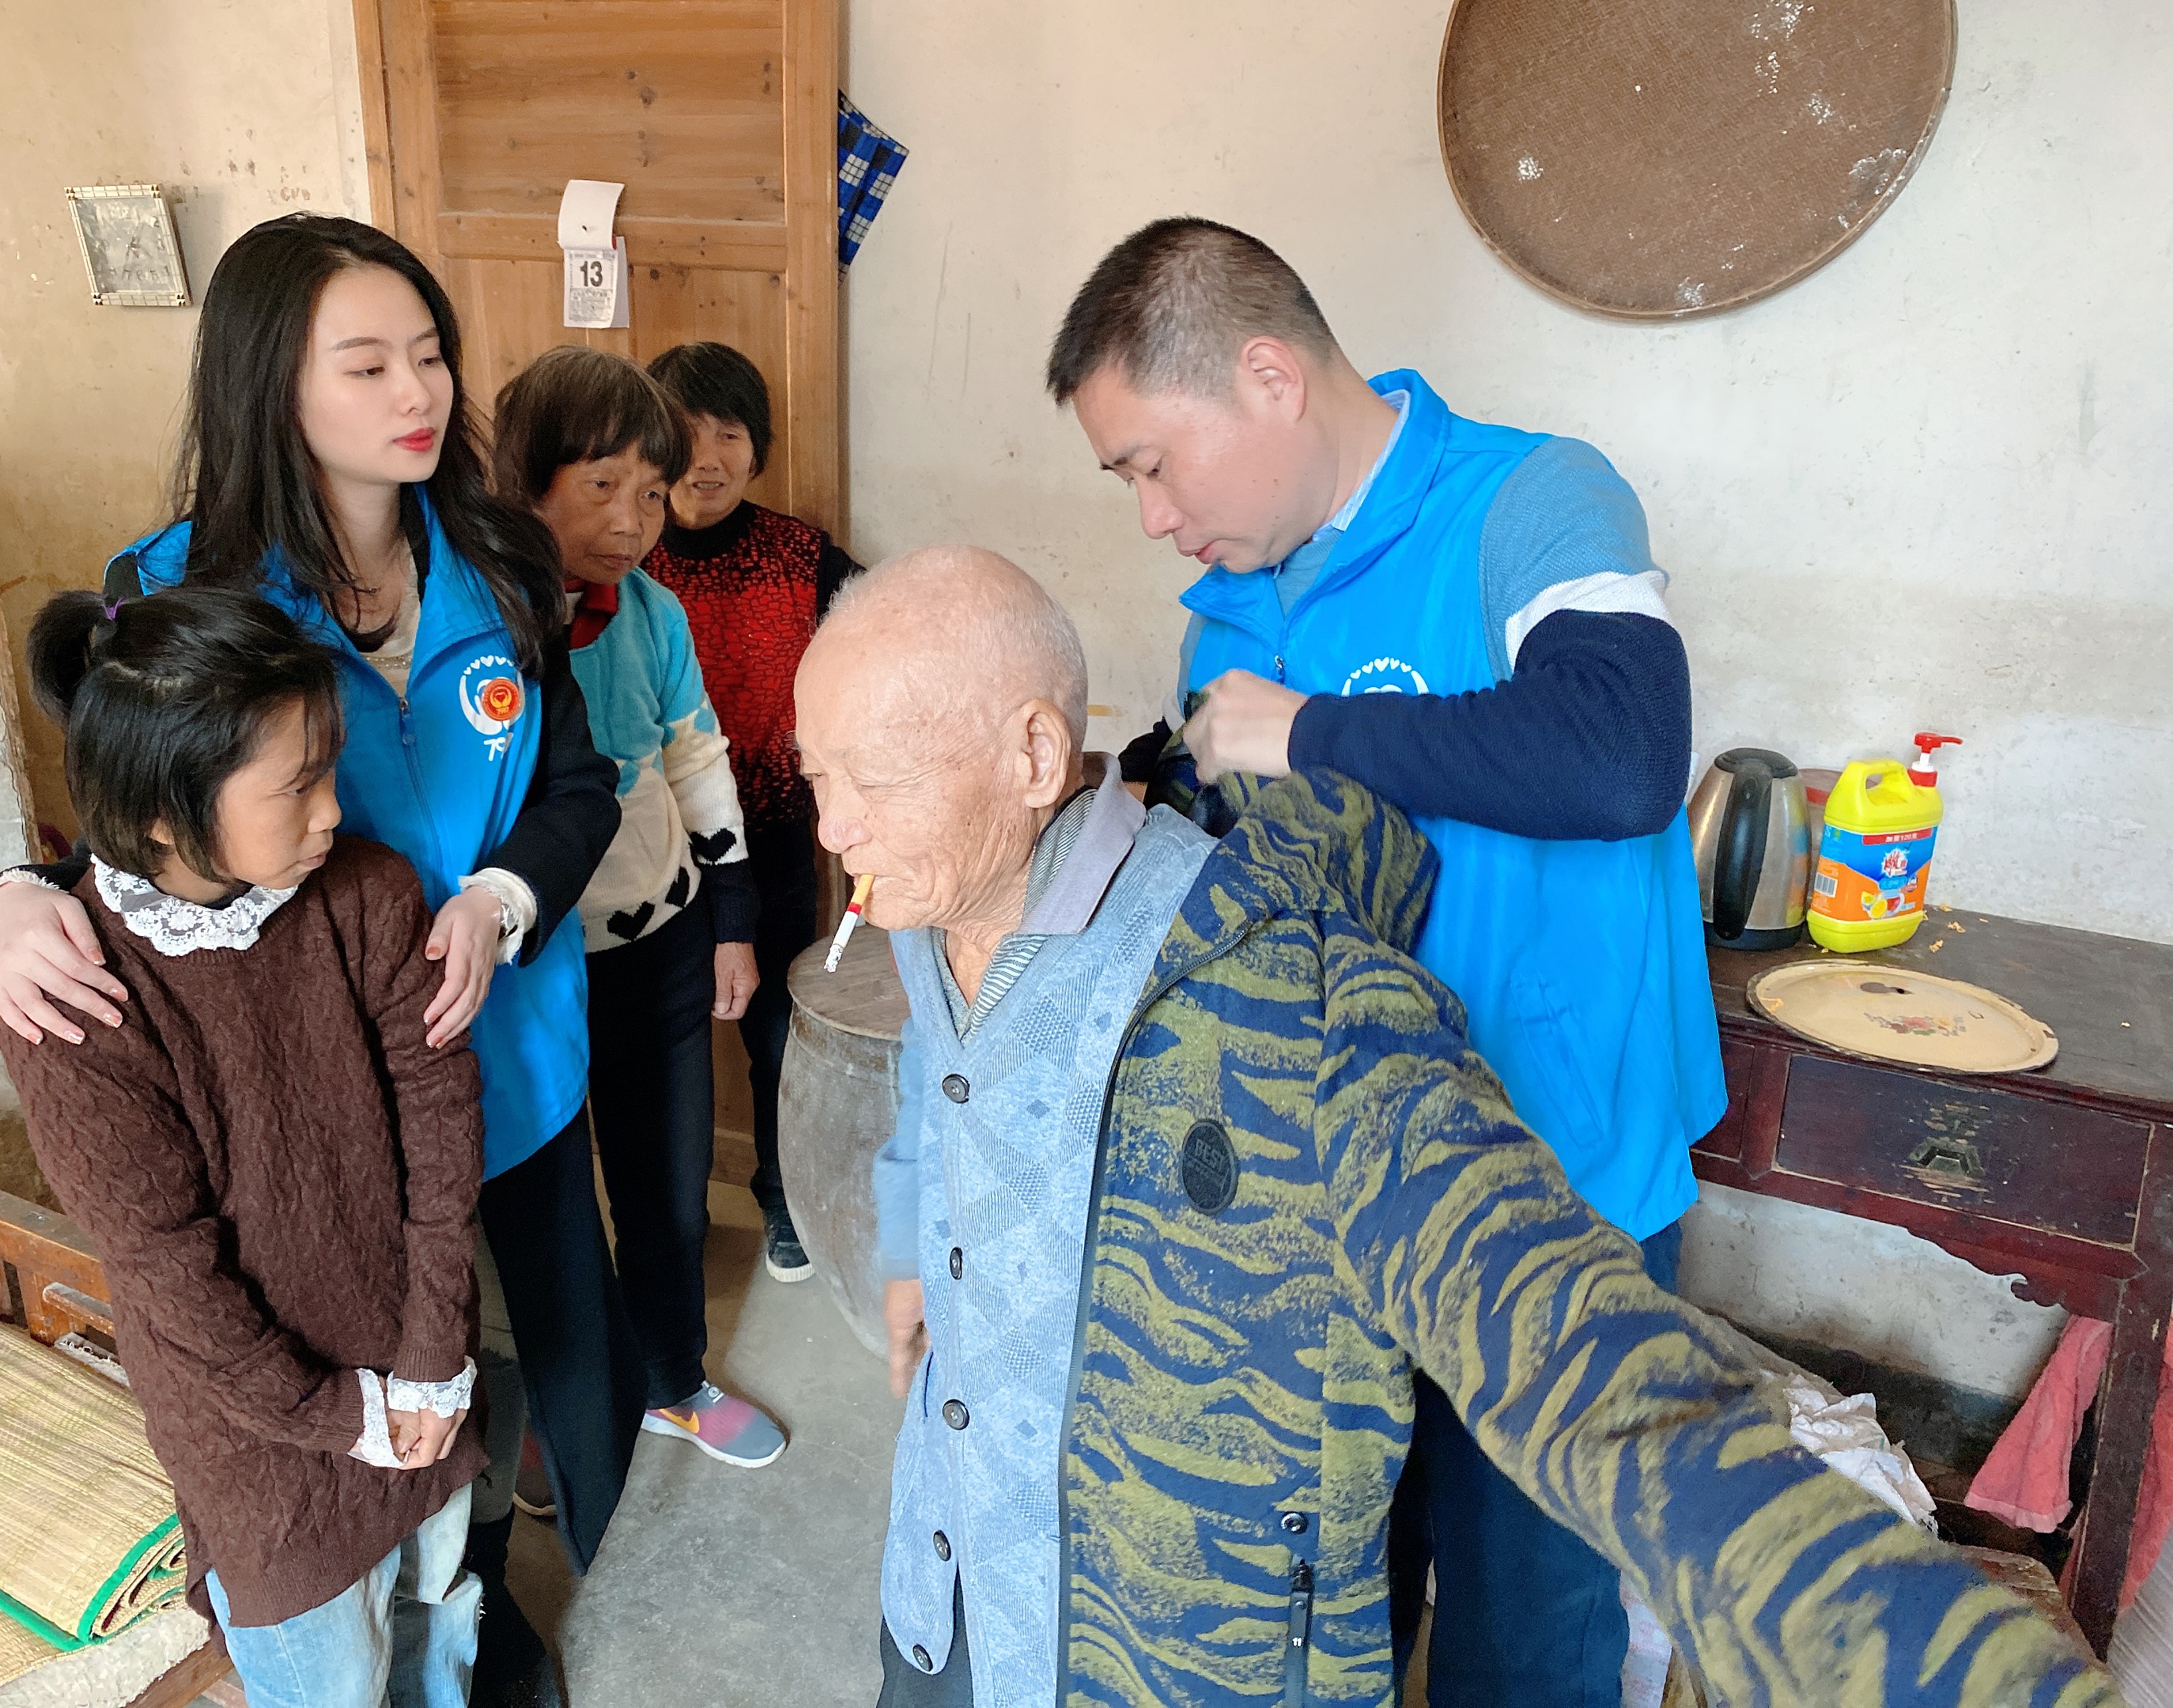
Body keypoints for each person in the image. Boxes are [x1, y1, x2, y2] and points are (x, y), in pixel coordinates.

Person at [799, 548, 2116, 1708]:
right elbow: (940, 1070)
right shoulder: (933, 896)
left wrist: (1895, 1642)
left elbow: (1562, 1339)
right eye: (816, 779)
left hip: (1173, 1661)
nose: (833, 827)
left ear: (1035, 757)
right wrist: (921, 1237)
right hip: (949, 1590)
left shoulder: (1299, 1007)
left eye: (869, 782)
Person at [0, 214, 635, 1708]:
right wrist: (7, 902)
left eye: (432, 354)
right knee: (392, 1369)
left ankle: (505, 1608)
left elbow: (580, 783)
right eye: (368, 362)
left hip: (512, 1052)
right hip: (330, 1101)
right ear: (272, 382)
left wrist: (504, 898)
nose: (421, 391)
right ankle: (475, 1639)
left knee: (549, 1360)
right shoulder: (178, 589)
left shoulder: (503, 558)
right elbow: (146, 831)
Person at [1046, 217, 1722, 1704]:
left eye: (1153, 465)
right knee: (1337, 1590)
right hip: (1329, 1208)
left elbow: (1623, 754)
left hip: (1553, 1186)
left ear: (1269, 377)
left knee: (1525, 1627)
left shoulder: (1533, 501)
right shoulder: (1228, 610)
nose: (1152, 517)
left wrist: (1310, 730)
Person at [0, 586, 485, 1708]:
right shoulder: (78, 997)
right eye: (297, 786)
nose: (333, 810)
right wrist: (342, 1417)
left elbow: (440, 1125)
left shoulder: (366, 892)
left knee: (438, 1617)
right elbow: (167, 1267)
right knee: (331, 1682)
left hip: (419, 1361)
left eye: (331, 769)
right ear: (164, 816)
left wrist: (429, 1357)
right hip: (258, 1440)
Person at [493, 346, 786, 1470]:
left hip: (660, 944)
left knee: (668, 1196)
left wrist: (731, 917)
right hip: (533, 968)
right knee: (547, 1210)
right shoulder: (482, 621)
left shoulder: (655, 613)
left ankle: (674, 1378)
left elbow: (697, 757)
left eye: (653, 492)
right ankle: (560, 1418)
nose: (633, 519)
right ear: (528, 483)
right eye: (602, 484)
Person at [642, 340, 867, 1282]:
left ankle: (783, 1196)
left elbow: (880, 651)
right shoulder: (625, 558)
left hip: (774, 844)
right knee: (666, 1051)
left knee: (777, 1033)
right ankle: (671, 1224)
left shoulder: (802, 556)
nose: (708, 458)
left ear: (757, 445)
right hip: (652, 853)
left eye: (729, 433)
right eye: (686, 434)